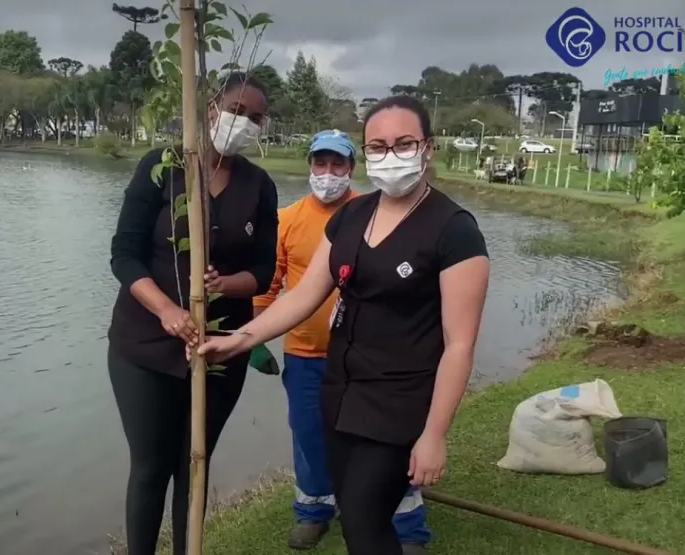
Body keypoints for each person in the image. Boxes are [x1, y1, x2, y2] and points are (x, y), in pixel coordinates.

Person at [197, 95, 490, 555]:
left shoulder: (454, 230)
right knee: (357, 520)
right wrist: (239, 339)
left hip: (399, 400)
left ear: (428, 148)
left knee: (365, 519)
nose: (389, 155)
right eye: (377, 146)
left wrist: (433, 435)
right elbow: (304, 295)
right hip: (339, 392)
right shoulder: (353, 216)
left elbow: (459, 345)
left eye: (403, 143)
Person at [107, 72, 278, 555]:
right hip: (145, 344)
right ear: (210, 108)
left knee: (194, 465)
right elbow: (124, 253)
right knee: (150, 466)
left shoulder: (259, 185)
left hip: (221, 348)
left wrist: (227, 284)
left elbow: (263, 271)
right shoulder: (163, 167)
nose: (243, 122)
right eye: (236, 110)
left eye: (255, 117)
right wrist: (165, 309)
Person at [253, 129, 432, 553]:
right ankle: (313, 510)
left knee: (385, 439)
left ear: (352, 168)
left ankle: (406, 521)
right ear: (310, 166)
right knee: (309, 434)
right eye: (321, 163)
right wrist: (255, 336)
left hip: (368, 358)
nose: (328, 173)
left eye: (338, 164)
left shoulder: (373, 214)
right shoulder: (288, 219)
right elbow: (269, 284)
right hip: (305, 354)